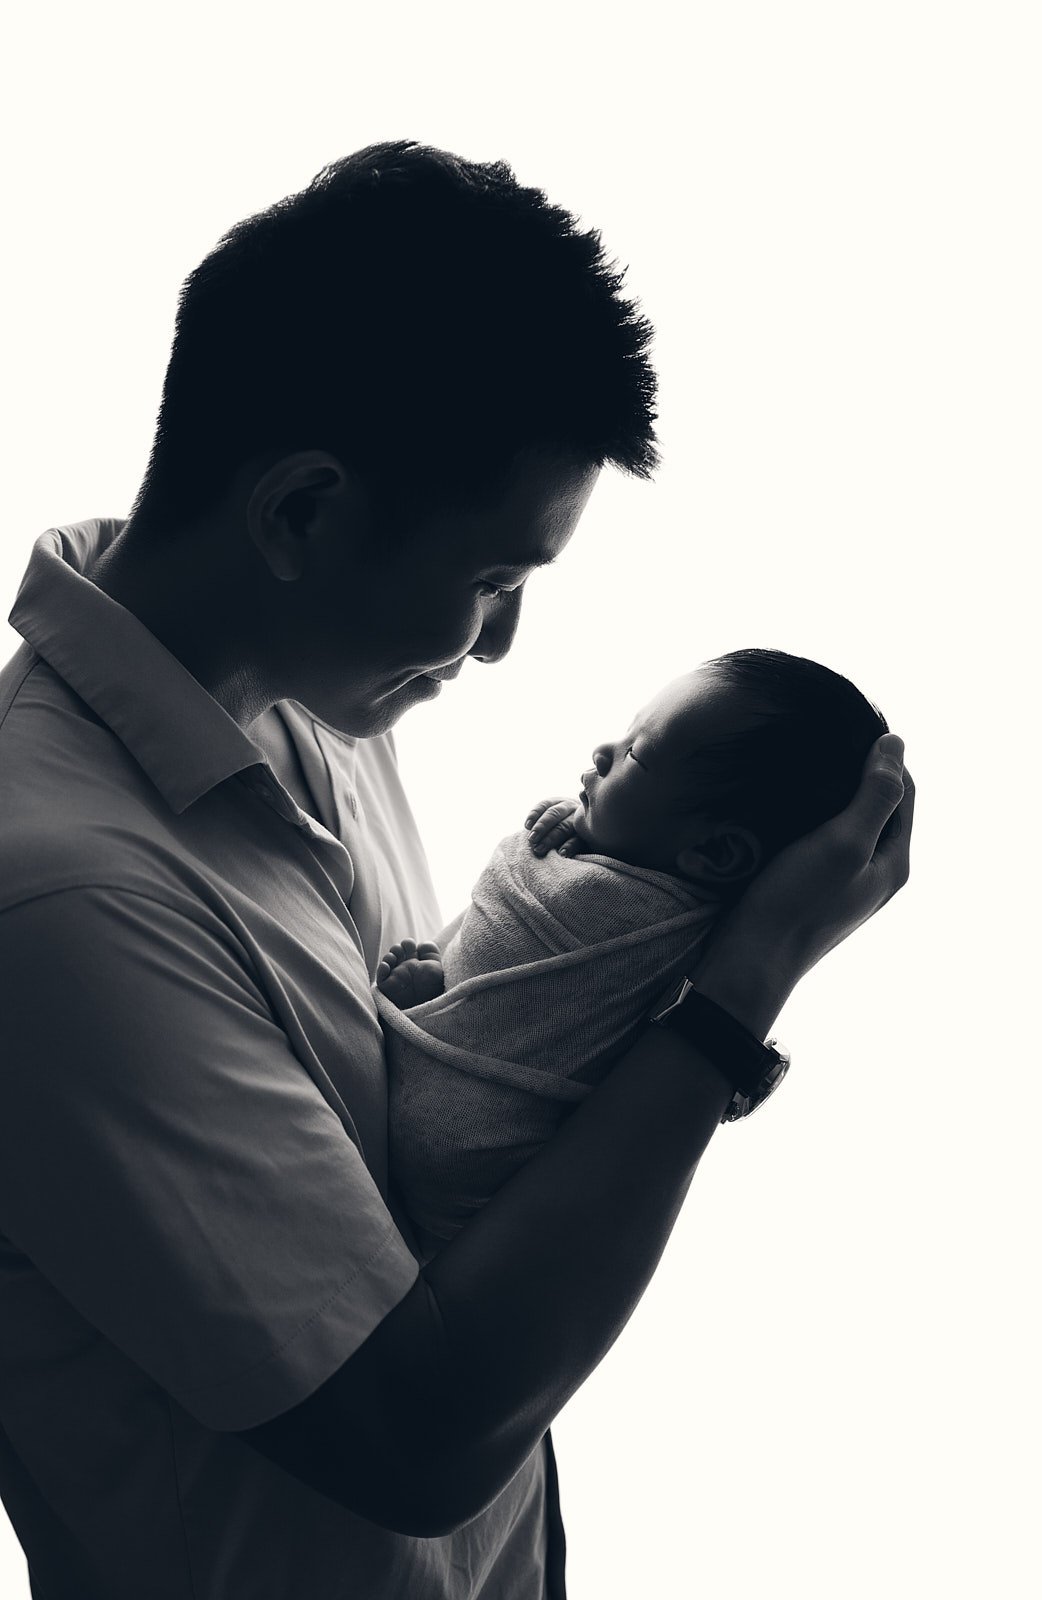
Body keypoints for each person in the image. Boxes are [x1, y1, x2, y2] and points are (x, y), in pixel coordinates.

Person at [0, 142, 913, 1600]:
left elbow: (436, 1155)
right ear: (300, 513)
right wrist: (732, 991)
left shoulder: (310, 702)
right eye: (494, 581)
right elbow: (420, 1442)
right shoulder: (54, 900)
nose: (495, 649)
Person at [375, 649, 889, 1258]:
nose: (602, 751)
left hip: (468, 1148)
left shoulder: (673, 929)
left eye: (636, 755)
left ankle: (431, 1019)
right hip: (473, 1188)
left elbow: (538, 875)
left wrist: (560, 835)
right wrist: (582, 822)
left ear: (719, 855)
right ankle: (447, 1010)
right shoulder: (718, 940)